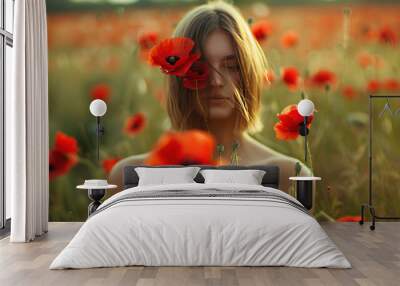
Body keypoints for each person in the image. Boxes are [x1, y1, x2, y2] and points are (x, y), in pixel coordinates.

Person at [109, 0, 311, 193]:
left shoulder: (289, 175)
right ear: (177, 76)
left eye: (232, 66)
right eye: (199, 67)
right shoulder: (128, 177)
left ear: (249, 73)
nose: (216, 81)